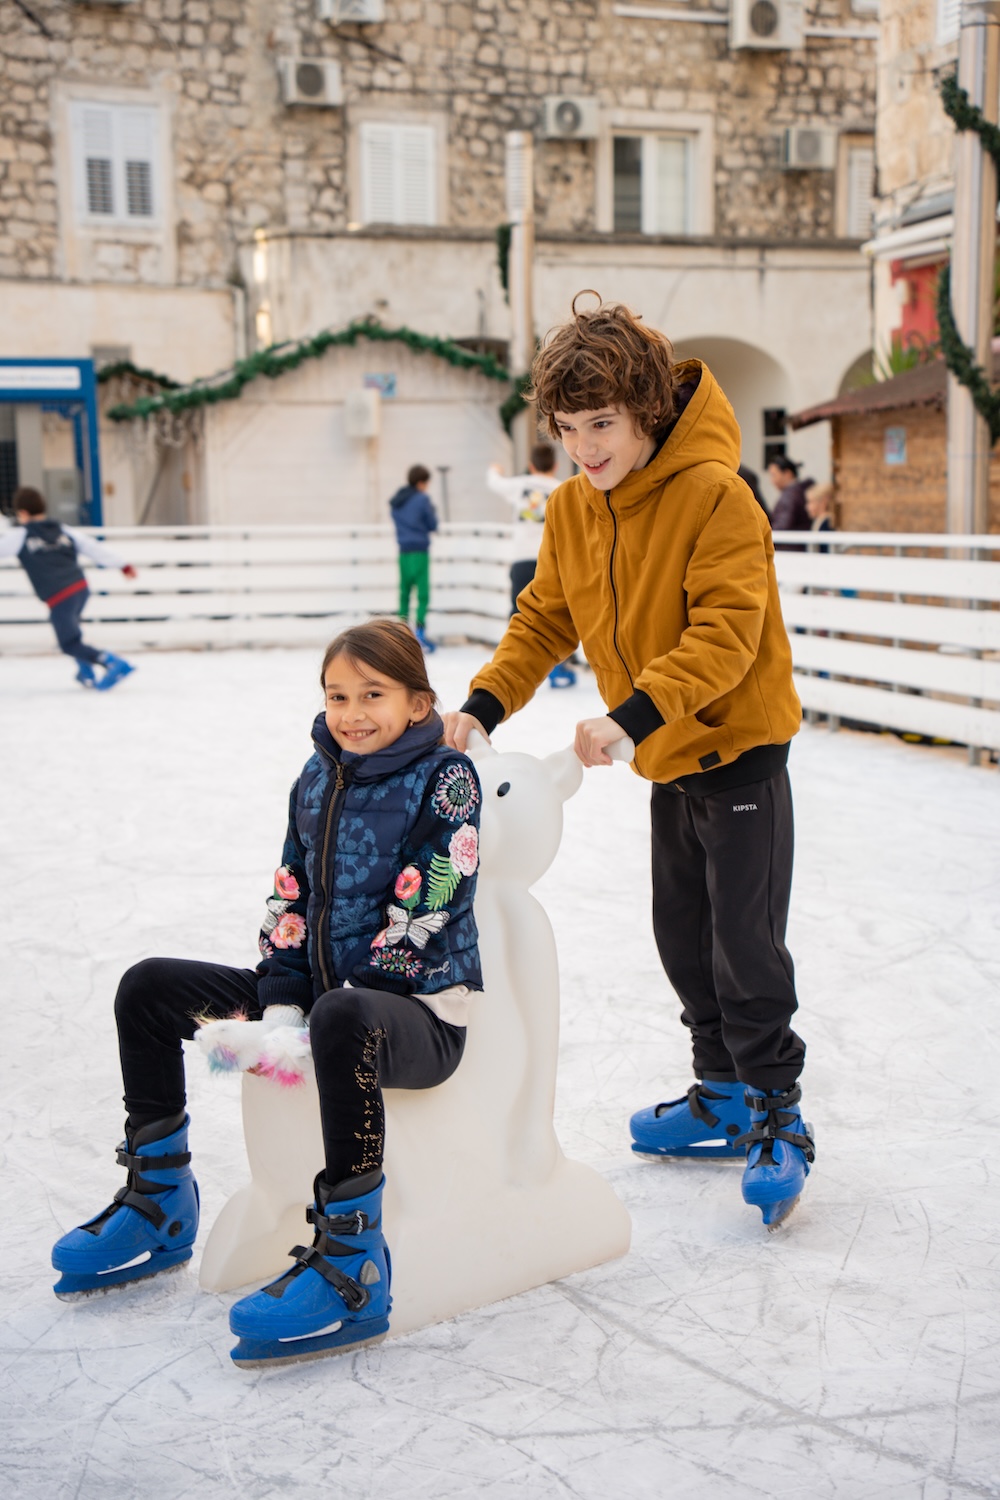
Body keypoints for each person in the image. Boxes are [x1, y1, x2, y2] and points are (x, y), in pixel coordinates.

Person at [443, 293, 814, 1229]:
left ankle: (778, 1111)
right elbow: (544, 618)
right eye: (568, 429)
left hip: (737, 751)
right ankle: (720, 1093)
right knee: (682, 933)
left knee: (745, 943)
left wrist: (629, 716)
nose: (584, 448)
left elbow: (726, 634)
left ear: (648, 409)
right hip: (666, 757)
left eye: (602, 424)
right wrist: (483, 703)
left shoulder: (717, 495)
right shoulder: (574, 507)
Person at [51, 618, 483, 1365]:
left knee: (344, 1012)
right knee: (149, 988)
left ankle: (355, 1259)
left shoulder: (446, 779)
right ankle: (160, 1199)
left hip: (416, 1010)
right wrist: (282, 1003)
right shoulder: (317, 776)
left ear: (418, 704)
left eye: (373, 694)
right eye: (337, 695)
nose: (352, 713)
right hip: (319, 999)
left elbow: (427, 908)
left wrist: (321, 1009)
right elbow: (290, 896)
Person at [0, 486, 137, 689]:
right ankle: (86, 671)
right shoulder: (62, 530)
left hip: (60, 596)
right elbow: (92, 547)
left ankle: (113, 662)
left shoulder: (21, 535)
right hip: (80, 589)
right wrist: (122, 565)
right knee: (72, 632)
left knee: (69, 642)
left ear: (23, 513)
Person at [486, 443, 574, 688]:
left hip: (522, 558)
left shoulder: (520, 485)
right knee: (554, 613)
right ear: (555, 466)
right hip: (550, 561)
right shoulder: (560, 489)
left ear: (531, 466)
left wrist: (495, 469)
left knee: (518, 613)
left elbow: (495, 483)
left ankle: (511, 667)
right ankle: (557, 666)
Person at [389, 464, 438, 652]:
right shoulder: (422, 499)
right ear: (421, 482)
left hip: (403, 552)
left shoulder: (397, 501)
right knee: (422, 594)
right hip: (419, 551)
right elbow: (432, 524)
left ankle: (401, 632)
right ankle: (420, 632)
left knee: (404, 592)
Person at [766, 455, 814, 544]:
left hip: (790, 547)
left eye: (774, 475)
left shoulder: (790, 496)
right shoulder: (800, 491)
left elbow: (782, 526)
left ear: (788, 474)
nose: (772, 480)